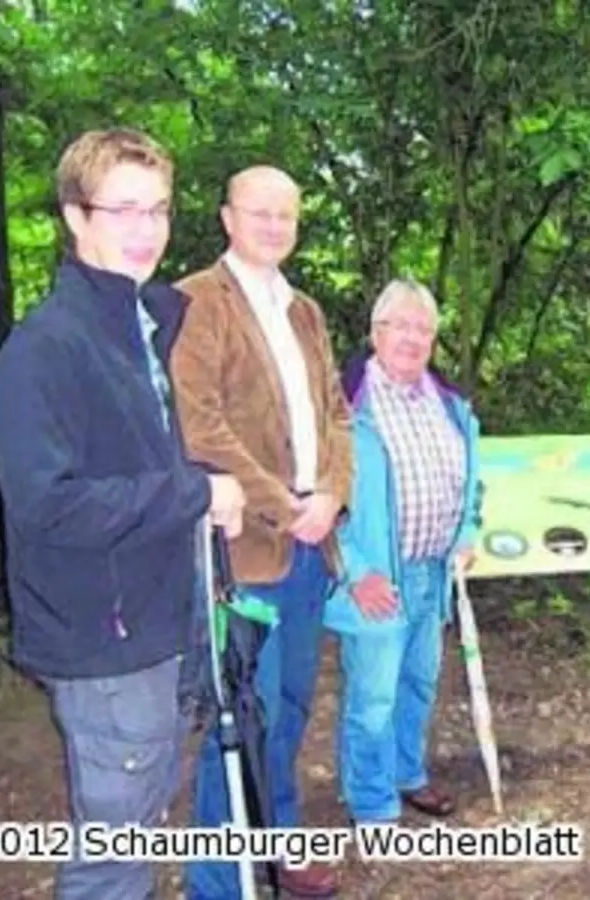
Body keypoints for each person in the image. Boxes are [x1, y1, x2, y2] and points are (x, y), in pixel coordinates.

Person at [0, 128, 246, 899]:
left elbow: (139, 469)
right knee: (114, 860)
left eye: (158, 210)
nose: (146, 231)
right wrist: (195, 491)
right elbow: (46, 506)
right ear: (75, 215)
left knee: (138, 827)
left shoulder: (143, 329)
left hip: (163, 618)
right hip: (107, 641)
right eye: (122, 209)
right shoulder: (44, 351)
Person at [169, 165, 353, 899]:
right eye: (259, 213)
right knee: (240, 719)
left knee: (294, 706)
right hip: (246, 547)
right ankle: (221, 883)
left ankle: (275, 847)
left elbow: (338, 410)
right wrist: (285, 503)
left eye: (287, 215)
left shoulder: (304, 309)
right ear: (226, 218)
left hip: (313, 540)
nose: (275, 226)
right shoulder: (197, 302)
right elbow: (200, 424)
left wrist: (335, 494)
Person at [328, 278, 482, 826]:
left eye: (425, 329)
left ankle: (406, 774)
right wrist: (356, 572)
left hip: (432, 576)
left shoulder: (451, 406)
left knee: (418, 685)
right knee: (372, 701)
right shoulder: (344, 406)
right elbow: (322, 497)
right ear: (376, 332)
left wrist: (466, 531)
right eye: (402, 325)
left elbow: (471, 487)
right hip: (375, 582)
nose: (413, 338)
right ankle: (371, 802)